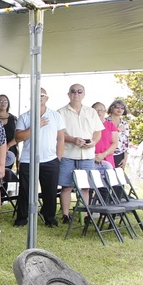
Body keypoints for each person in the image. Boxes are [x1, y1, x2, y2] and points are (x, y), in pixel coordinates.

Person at [14, 88, 65, 227]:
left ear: (46, 98)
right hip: (28, 160)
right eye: (36, 95)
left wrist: (58, 158)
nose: (39, 97)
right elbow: (18, 137)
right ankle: (22, 219)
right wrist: (36, 126)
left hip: (50, 160)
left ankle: (49, 218)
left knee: (50, 191)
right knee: (25, 191)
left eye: (41, 95)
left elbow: (61, 138)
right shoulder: (25, 116)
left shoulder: (55, 116)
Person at [57, 84, 103, 223]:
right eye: (73, 91)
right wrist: (73, 140)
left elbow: (97, 132)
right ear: (68, 94)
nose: (76, 93)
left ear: (84, 94)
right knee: (66, 186)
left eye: (79, 91)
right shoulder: (60, 112)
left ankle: (86, 214)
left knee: (85, 187)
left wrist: (93, 142)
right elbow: (59, 134)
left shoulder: (91, 112)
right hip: (68, 154)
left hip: (87, 155)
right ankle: (66, 215)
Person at [0, 94, 18, 171]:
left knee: (6, 174)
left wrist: (8, 146)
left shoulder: (14, 119)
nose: (3, 103)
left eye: (5, 101)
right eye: (0, 101)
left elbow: (18, 135)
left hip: (10, 151)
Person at [92, 102, 118, 169]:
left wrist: (104, 154)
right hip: (91, 159)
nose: (99, 112)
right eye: (96, 110)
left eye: (101, 110)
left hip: (107, 160)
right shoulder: (88, 125)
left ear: (105, 112)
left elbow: (115, 143)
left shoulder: (110, 125)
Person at [108, 99, 130, 168]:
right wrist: (117, 130)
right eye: (117, 107)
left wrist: (125, 158)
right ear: (112, 108)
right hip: (106, 154)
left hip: (120, 154)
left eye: (122, 108)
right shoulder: (105, 121)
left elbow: (126, 142)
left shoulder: (125, 124)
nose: (119, 109)